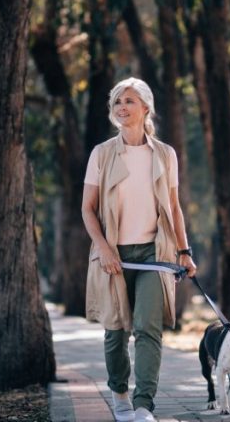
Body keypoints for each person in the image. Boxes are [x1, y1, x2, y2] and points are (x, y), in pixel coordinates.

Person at [82, 77, 197, 422]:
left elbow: (174, 208)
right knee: (116, 331)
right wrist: (104, 248)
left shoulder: (164, 154)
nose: (121, 107)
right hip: (113, 256)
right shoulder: (102, 154)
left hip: (153, 255)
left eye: (129, 100)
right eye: (117, 101)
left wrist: (184, 251)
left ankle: (144, 405)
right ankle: (120, 398)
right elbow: (87, 208)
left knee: (149, 329)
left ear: (146, 107)